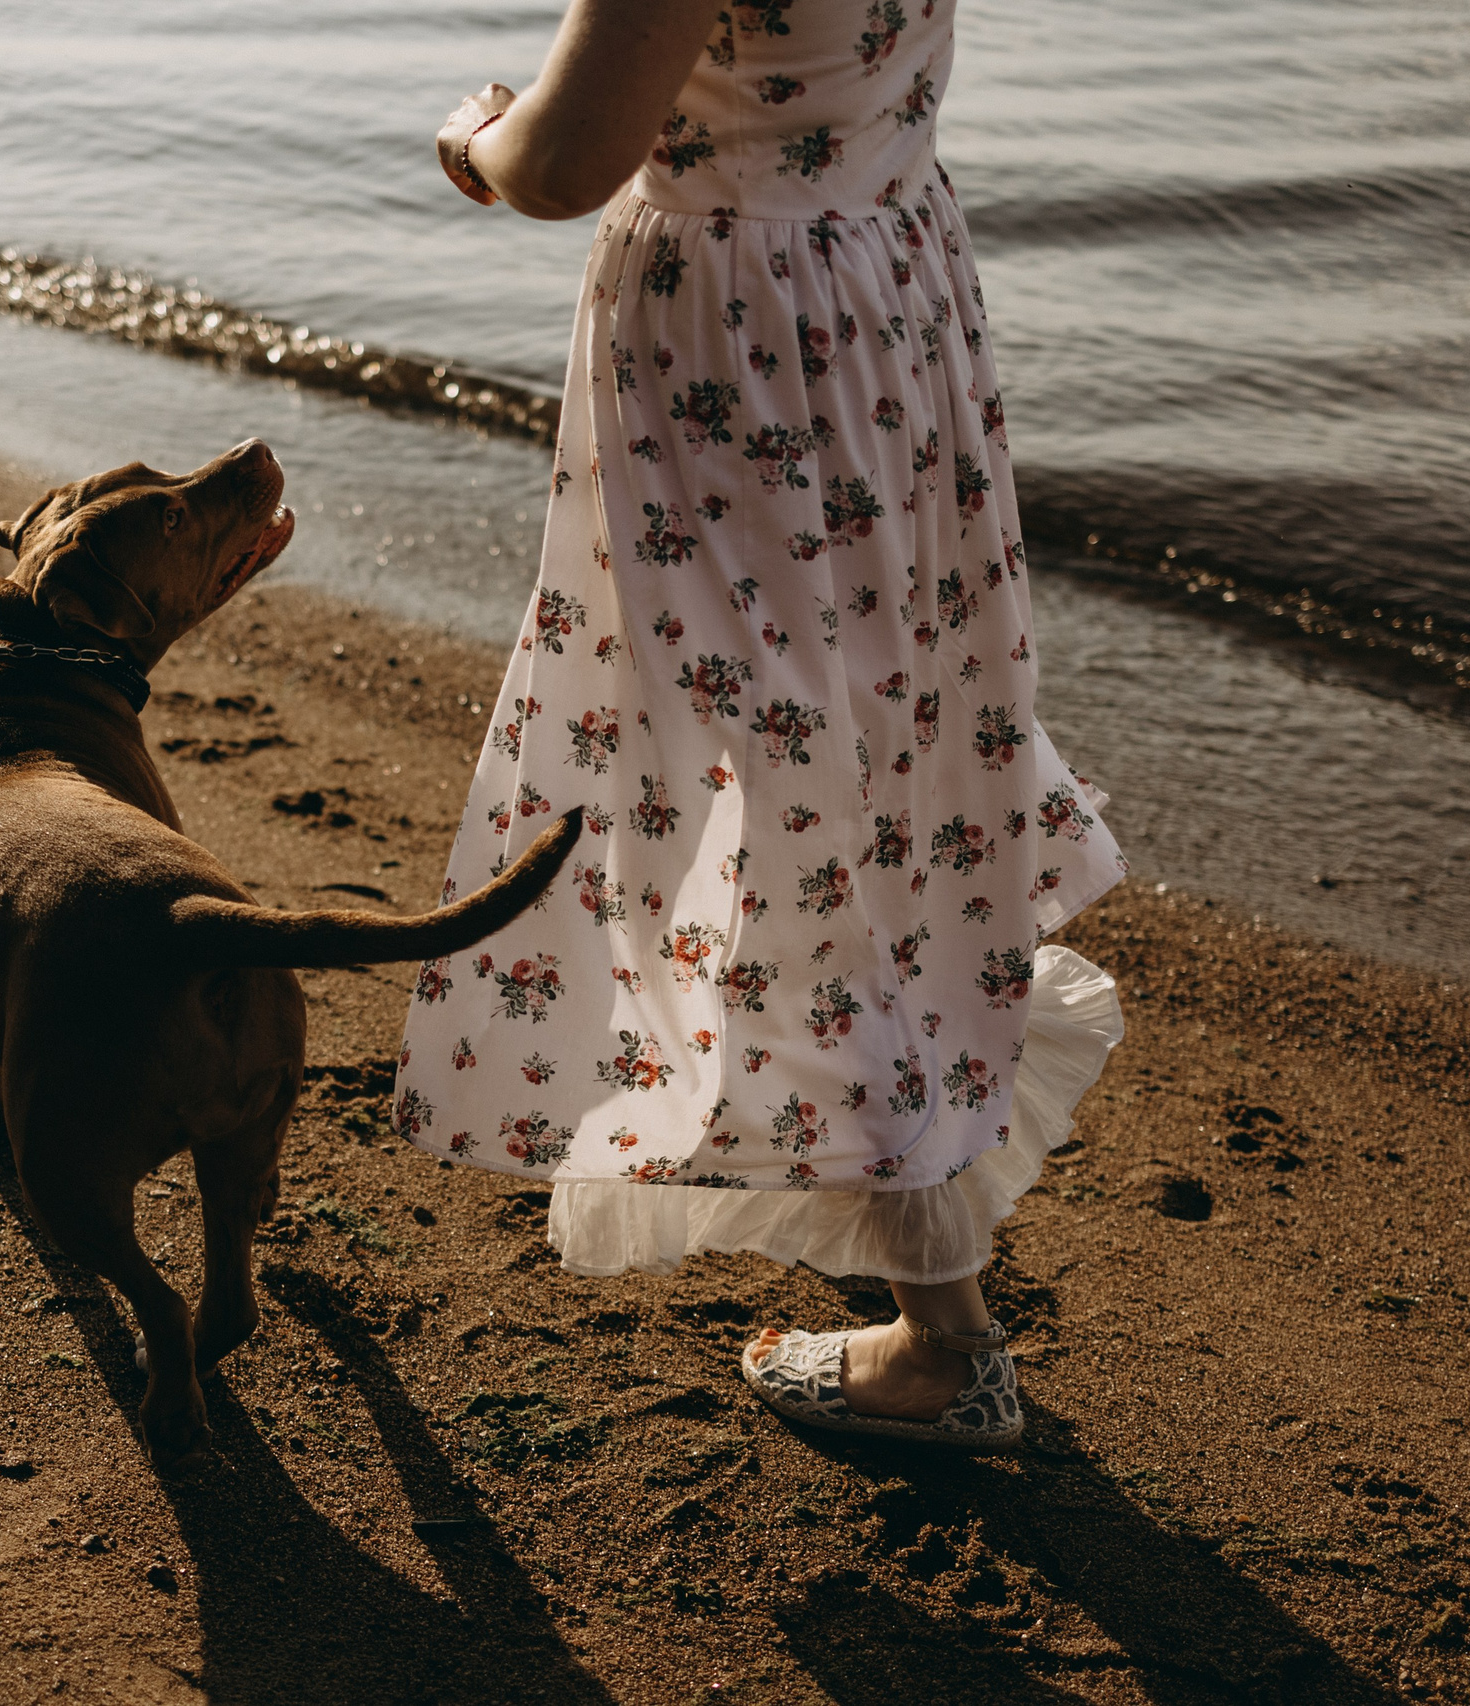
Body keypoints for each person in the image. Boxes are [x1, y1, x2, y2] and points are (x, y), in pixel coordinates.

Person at [401, 0, 1128, 1448]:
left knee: (795, 793)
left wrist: (475, 133)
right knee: (874, 750)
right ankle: (932, 1258)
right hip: (889, 282)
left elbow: (564, 162)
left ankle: (946, 1339)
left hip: (745, 338)